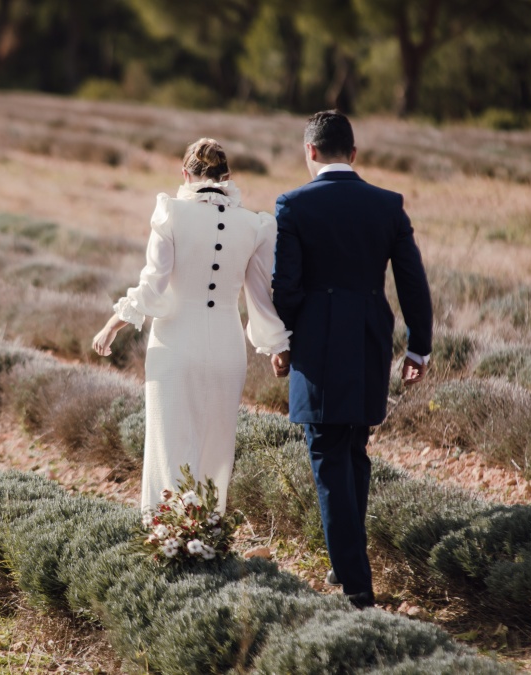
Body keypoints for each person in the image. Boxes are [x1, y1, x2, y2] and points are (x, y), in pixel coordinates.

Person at [270, 111, 433, 609]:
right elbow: (412, 281)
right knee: (354, 449)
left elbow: (286, 287)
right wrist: (418, 346)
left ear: (310, 152)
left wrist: (282, 340)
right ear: (354, 153)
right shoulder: (387, 204)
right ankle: (350, 567)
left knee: (327, 455)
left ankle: (355, 586)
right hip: (367, 340)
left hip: (316, 345)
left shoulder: (293, 205)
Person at [92, 138, 291, 515]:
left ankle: (169, 537)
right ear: (227, 177)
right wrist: (278, 346)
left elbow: (153, 284)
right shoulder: (255, 225)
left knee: (169, 444)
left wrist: (113, 323)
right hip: (228, 350)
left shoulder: (171, 214)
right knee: (216, 448)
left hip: (175, 345)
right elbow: (260, 298)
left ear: (185, 174)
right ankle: (206, 537)